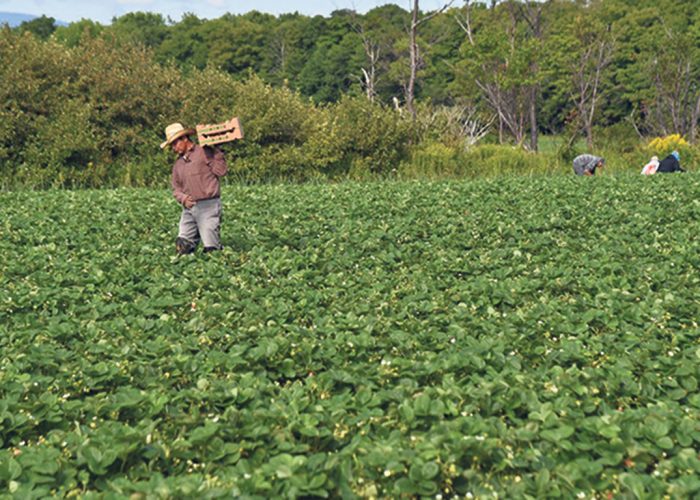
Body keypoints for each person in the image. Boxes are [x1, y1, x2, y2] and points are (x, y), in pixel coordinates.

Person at [160, 122, 228, 255]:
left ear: (185, 139)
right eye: (172, 145)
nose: (174, 148)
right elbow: (176, 188)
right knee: (183, 244)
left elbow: (221, 171)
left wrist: (217, 152)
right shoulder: (178, 165)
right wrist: (183, 198)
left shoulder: (204, 152)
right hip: (188, 209)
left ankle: (218, 269)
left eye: (175, 143)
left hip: (208, 206)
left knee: (211, 249)